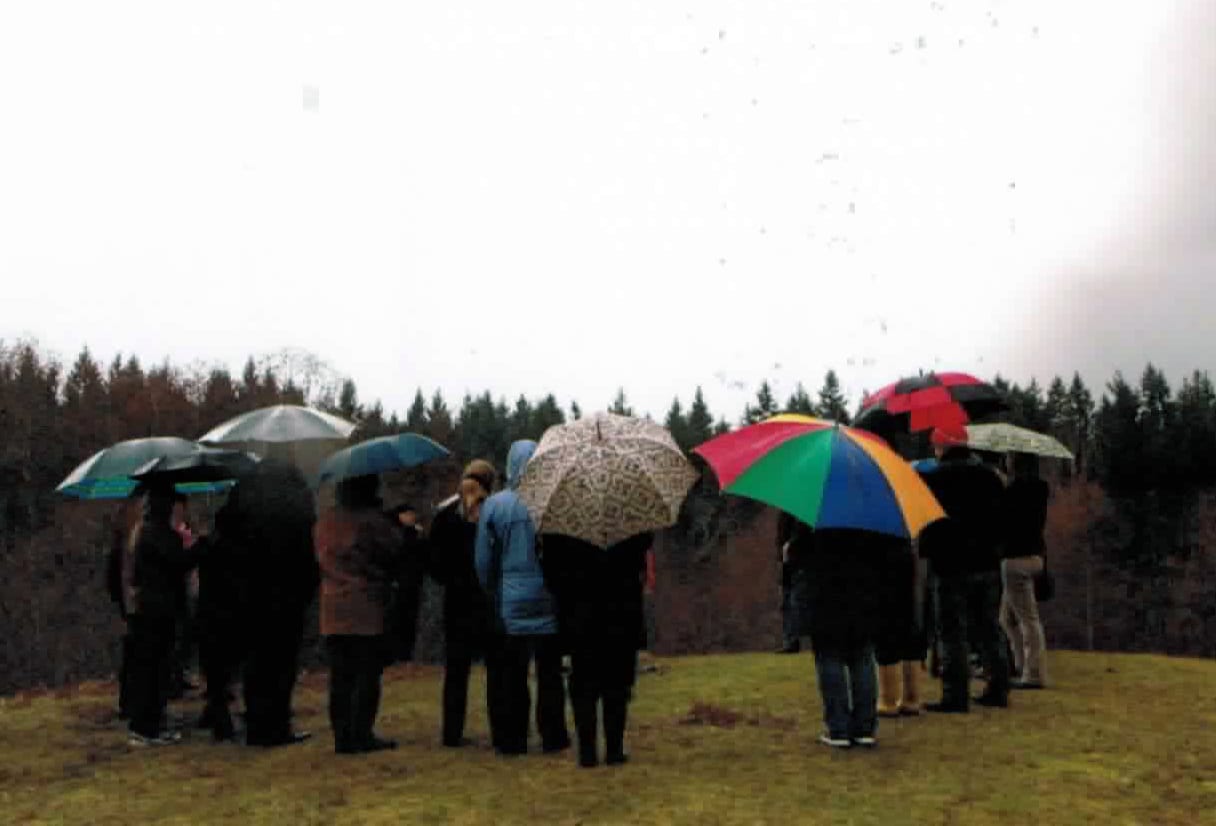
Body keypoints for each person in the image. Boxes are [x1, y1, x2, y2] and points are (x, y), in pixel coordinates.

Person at [475, 440, 570, 756]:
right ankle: (553, 735)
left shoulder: (495, 505)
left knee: (511, 674)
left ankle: (512, 738)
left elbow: (483, 559)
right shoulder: (553, 502)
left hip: (510, 601)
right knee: (549, 673)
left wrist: (491, 591)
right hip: (547, 597)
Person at [918, 425, 1010, 713]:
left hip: (949, 564)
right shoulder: (991, 477)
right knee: (989, 627)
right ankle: (998, 688)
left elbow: (926, 520)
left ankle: (955, 694)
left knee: (951, 631)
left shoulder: (934, 478)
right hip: (988, 563)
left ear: (941, 448)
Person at [544, 531, 652, 768]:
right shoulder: (628, 519)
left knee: (583, 682)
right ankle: (614, 749)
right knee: (617, 682)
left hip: (580, 613)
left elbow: (551, 572)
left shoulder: (565, 526)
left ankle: (587, 750)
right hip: (621, 609)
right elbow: (642, 555)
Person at [315, 474, 400, 754]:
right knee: (367, 674)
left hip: (331, 607)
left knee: (340, 677)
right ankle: (362, 733)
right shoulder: (371, 521)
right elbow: (392, 551)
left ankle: (342, 736)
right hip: (365, 605)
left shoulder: (325, 521)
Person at [238, 455, 319, 747]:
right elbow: (308, 549)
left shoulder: (244, 494)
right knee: (282, 663)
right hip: (287, 594)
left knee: (255, 662)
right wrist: (308, 589)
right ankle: (277, 724)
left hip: (250, 593)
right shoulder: (297, 499)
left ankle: (256, 726)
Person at [123, 484, 199, 747]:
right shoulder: (158, 534)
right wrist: (198, 549)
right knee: (155, 670)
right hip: (159, 609)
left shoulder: (144, 532)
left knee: (153, 669)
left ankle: (148, 724)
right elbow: (178, 563)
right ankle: (147, 727)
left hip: (150, 608)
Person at [428, 460, 496, 747]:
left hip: (455, 603)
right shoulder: (492, 513)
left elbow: (434, 566)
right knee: (496, 670)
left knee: (456, 672)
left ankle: (451, 732)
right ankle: (501, 729)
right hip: (485, 601)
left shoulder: (443, 517)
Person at [799, 523, 883, 749]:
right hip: (863, 593)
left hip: (825, 594)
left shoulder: (815, 515)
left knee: (829, 658)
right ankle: (865, 727)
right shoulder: (869, 514)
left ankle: (838, 728)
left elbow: (800, 553)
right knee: (863, 658)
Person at [195, 488, 249, 741]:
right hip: (231, 614)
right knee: (229, 670)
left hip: (207, 614)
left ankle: (217, 716)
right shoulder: (239, 550)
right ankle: (223, 720)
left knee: (215, 673)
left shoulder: (206, 546)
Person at [999, 452, 1051, 689]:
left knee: (1027, 619)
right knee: (1007, 617)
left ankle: (1033, 673)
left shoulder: (1012, 492)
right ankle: (1021, 665)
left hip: (1015, 558)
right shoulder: (1041, 489)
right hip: (1036, 555)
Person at [874, 535, 927, 717]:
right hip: (904, 557)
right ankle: (912, 697)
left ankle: (888, 700)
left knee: (886, 632)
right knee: (908, 629)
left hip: (882, 564)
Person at [107, 487, 145, 720]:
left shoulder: (125, 534)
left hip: (130, 601)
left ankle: (130, 703)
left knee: (133, 655)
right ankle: (131, 704)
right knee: (135, 656)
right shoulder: (131, 536)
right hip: (134, 602)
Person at [385, 502, 425, 666]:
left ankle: (405, 655)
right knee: (396, 621)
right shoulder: (395, 533)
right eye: (409, 513)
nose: (412, 517)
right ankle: (394, 655)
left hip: (411, 583)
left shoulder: (414, 533)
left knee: (408, 621)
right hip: (397, 583)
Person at [169, 493, 200, 698]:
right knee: (178, 635)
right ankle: (176, 677)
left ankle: (181, 674)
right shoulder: (169, 533)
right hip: (177, 589)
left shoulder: (183, 529)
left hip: (189, 586)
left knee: (187, 634)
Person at [776, 512, 808, 654]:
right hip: (790, 562)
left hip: (798, 562)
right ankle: (790, 640)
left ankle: (792, 640)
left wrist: (791, 544)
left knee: (794, 602)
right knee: (789, 602)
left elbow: (802, 531)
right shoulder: (786, 512)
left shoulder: (797, 512)